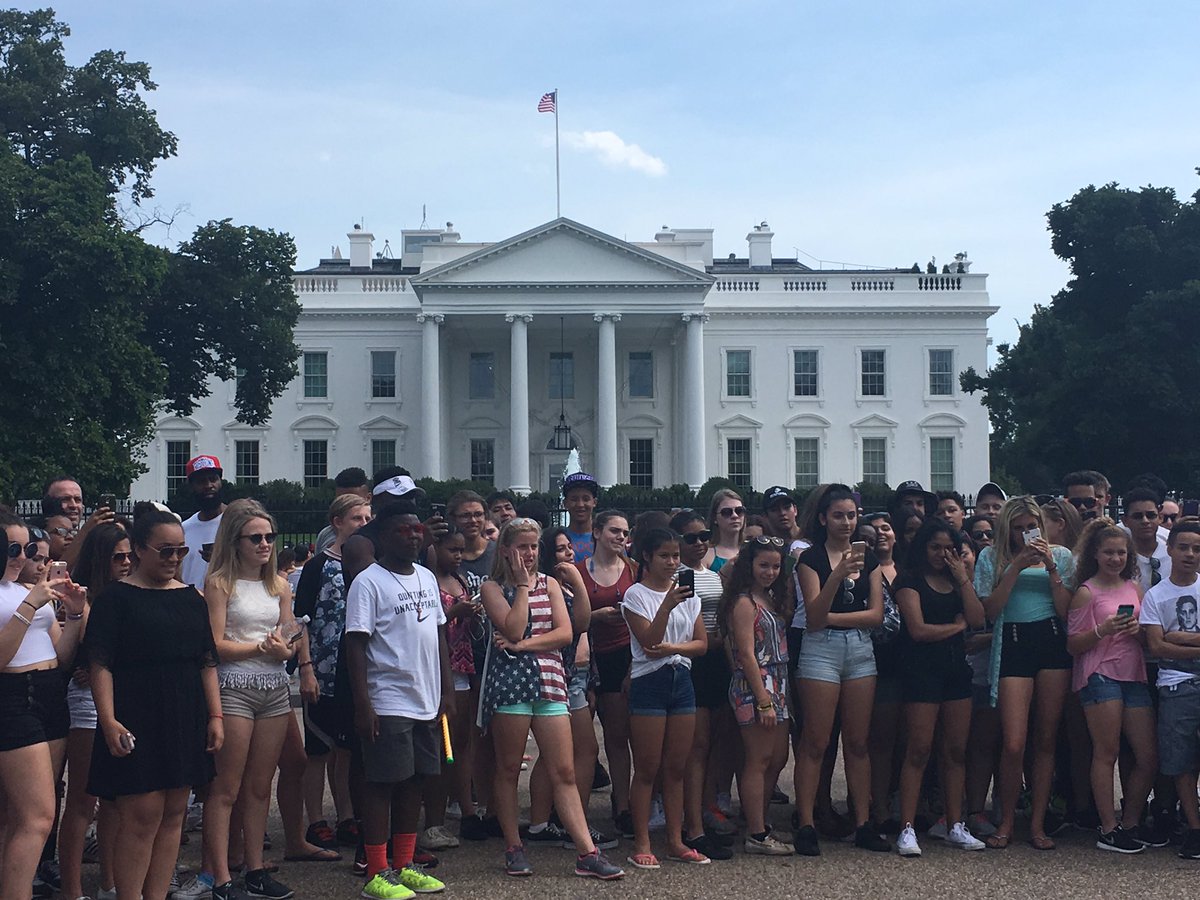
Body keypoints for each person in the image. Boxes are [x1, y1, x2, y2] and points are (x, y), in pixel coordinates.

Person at [83, 509, 221, 900]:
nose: (174, 558)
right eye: (165, 551)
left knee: (175, 815)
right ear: (140, 549)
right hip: (135, 714)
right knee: (141, 816)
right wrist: (108, 720)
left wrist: (215, 716)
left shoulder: (191, 599)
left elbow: (207, 661)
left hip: (184, 713)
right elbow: (100, 664)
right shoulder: (116, 598)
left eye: (180, 550)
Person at [479, 519, 623, 880]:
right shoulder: (492, 587)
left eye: (533, 547)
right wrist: (524, 588)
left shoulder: (553, 584)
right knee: (509, 767)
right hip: (510, 684)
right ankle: (514, 845)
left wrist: (522, 645)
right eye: (521, 547)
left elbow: (564, 632)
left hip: (549, 682)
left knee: (564, 769)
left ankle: (586, 852)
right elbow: (510, 625)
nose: (528, 554)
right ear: (506, 550)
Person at [344, 502, 451, 898]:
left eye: (417, 529)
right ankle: (377, 871)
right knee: (383, 784)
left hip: (425, 696)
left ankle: (405, 864)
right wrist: (363, 704)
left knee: (415, 782)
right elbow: (356, 644)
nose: (413, 536)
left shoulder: (425, 575)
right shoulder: (369, 582)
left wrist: (445, 688)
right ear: (385, 536)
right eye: (404, 531)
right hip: (387, 698)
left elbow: (438, 633)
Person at [201, 499, 298, 900]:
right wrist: (263, 648)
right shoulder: (220, 583)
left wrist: (285, 651)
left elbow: (289, 635)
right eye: (255, 537)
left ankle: (256, 869)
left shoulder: (279, 585)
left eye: (269, 537)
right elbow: (215, 644)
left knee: (260, 786)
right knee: (227, 787)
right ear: (235, 542)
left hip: (274, 687)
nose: (264, 544)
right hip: (234, 686)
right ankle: (221, 876)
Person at [973, 497, 1074, 850]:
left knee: (1045, 739)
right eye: (1017, 528)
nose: (1024, 534)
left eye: (1030, 526)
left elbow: (1066, 612)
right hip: (1013, 641)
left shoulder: (1060, 555)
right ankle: (1005, 821)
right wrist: (1015, 565)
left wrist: (1051, 568)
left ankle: (1037, 823)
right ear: (1007, 529)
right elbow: (989, 608)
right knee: (1014, 741)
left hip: (1050, 639)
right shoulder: (991, 557)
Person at [793, 485, 888, 856]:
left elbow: (876, 615)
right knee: (815, 741)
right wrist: (838, 574)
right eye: (838, 515)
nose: (847, 522)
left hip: (860, 650)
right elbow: (813, 617)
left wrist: (835, 617)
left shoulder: (872, 560)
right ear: (823, 518)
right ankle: (806, 823)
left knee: (858, 742)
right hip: (821, 651)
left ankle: (863, 822)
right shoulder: (810, 559)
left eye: (851, 515)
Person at [0, 510, 85, 900]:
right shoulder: (22, 597)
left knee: (20, 815)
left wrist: (76, 612)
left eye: (28, 548)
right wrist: (30, 606)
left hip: (50, 693)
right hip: (15, 697)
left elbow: (60, 654)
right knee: (38, 817)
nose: (22, 556)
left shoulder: (25, 590)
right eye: (12, 547)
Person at [892, 519, 987, 856]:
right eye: (935, 547)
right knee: (919, 749)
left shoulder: (955, 580)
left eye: (948, 548)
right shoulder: (909, 581)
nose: (942, 554)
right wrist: (954, 628)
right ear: (922, 548)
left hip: (955, 672)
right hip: (921, 672)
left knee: (956, 751)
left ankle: (955, 824)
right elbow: (917, 630)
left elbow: (976, 620)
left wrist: (962, 578)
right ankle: (906, 827)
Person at [1065, 521, 1157, 854]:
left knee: (1147, 754)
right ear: (1095, 554)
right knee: (1107, 751)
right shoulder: (1086, 592)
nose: (1115, 558)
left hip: (1133, 672)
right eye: (1109, 552)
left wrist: (1136, 631)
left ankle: (1130, 821)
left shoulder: (1134, 588)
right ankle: (1107, 826)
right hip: (1099, 673)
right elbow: (1073, 644)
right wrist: (1102, 630)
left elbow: (1149, 636)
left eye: (1121, 552)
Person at [622, 528, 707, 868]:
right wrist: (667, 606)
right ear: (647, 557)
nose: (672, 563)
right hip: (649, 680)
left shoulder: (690, 596)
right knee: (647, 767)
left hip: (680, 676)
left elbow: (701, 644)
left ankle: (675, 839)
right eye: (664, 556)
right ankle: (642, 840)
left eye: (675, 556)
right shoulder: (635, 596)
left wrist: (674, 648)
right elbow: (648, 642)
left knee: (676, 767)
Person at [525, 528, 614, 851]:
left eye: (569, 548)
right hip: (562, 675)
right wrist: (577, 581)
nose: (568, 554)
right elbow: (581, 623)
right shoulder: (550, 587)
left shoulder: (562, 585)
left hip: (579, 674)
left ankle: (548, 820)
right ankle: (566, 820)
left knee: (563, 752)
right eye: (560, 550)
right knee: (581, 750)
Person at [293, 494, 372, 852]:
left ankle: (346, 815)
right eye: (356, 517)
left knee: (347, 749)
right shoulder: (318, 566)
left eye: (368, 516)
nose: (364, 523)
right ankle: (315, 820)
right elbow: (301, 620)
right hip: (323, 669)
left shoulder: (372, 566)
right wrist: (306, 668)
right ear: (338, 522)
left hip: (356, 671)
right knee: (318, 749)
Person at [59, 523, 131, 900]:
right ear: (101, 560)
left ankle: (109, 882)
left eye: (129, 555)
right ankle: (71, 890)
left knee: (115, 800)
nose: (125, 562)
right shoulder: (86, 599)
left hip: (126, 699)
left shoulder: (132, 593)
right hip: (87, 703)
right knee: (84, 801)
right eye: (117, 556)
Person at [721, 536, 794, 856]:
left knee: (777, 758)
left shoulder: (769, 598)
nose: (770, 571)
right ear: (749, 566)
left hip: (778, 682)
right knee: (759, 758)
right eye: (764, 565)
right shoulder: (743, 602)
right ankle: (756, 832)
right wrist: (763, 699)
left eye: (776, 566)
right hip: (756, 685)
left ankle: (760, 821)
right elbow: (747, 655)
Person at [670, 511, 734, 860]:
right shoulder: (677, 578)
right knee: (696, 746)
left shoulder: (713, 576)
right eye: (690, 538)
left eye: (704, 536)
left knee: (713, 745)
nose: (699, 542)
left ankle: (705, 811)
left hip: (716, 663)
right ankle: (692, 825)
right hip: (692, 661)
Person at [1141, 521, 1200, 860]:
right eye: (1184, 547)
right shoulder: (1156, 595)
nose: (1190, 554)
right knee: (1180, 761)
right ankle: (1194, 828)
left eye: (1196, 548)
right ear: (1171, 550)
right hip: (1176, 683)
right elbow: (1156, 647)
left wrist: (1178, 637)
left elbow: (1166, 641)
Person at [576, 510, 637, 837]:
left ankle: (622, 803)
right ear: (596, 532)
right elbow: (569, 618)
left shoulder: (633, 571)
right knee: (581, 742)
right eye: (614, 530)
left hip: (620, 655)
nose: (620, 537)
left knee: (617, 735)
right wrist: (594, 616)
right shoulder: (577, 572)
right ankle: (574, 808)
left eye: (625, 532)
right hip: (585, 656)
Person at [421, 524, 475, 851]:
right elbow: (430, 623)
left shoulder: (461, 580)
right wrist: (457, 610)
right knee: (441, 750)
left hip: (463, 665)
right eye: (451, 550)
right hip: (437, 670)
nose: (457, 556)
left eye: (461, 550)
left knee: (461, 743)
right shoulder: (427, 581)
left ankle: (464, 807)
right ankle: (433, 820)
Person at [179, 455, 227, 590]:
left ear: (220, 482)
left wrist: (220, 560)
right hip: (191, 605)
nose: (208, 486)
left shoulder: (237, 522)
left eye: (213, 479)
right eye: (201, 481)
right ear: (191, 486)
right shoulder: (184, 529)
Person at [313, 468, 371, 555]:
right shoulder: (325, 535)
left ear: (368, 498)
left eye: (353, 499)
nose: (345, 503)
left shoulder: (380, 536)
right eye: (341, 498)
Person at [1122, 488, 1170, 592]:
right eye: (1137, 516)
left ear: (1160, 517)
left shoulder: (1173, 554)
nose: (1145, 521)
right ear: (1125, 521)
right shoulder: (1120, 557)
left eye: (1151, 515)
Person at [562, 473, 600, 562]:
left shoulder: (605, 539)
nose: (580, 504)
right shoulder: (557, 540)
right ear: (565, 503)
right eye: (574, 499)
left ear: (594, 502)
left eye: (586, 499)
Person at [707, 490, 745, 573]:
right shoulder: (706, 555)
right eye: (726, 512)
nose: (735, 516)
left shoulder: (752, 550)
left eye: (739, 511)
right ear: (714, 518)